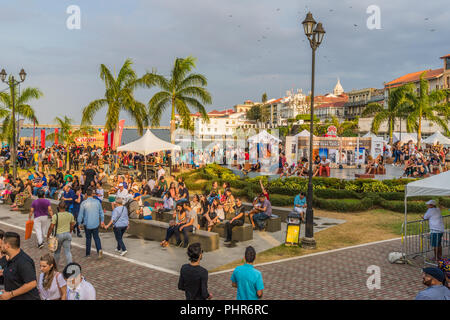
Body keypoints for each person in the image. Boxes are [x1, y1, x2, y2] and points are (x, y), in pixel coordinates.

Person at [0, 232, 40, 300]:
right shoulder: (11, 258)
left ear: (7, 246)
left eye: (2, 243)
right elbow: (15, 273)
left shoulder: (24, 261)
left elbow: (32, 283)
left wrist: (10, 294)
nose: (1, 246)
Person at [78, 188, 106, 258]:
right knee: (96, 237)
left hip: (87, 223)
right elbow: (101, 213)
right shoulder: (97, 202)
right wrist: (102, 221)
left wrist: (79, 223)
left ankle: (88, 254)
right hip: (95, 223)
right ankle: (99, 250)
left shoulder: (83, 203)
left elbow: (80, 215)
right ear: (92, 194)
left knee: (88, 238)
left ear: (86, 194)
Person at [47, 201, 75, 265]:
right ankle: (70, 266)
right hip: (67, 234)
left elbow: (51, 227)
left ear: (58, 207)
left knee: (57, 252)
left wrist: (48, 236)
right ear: (66, 207)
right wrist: (70, 231)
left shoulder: (55, 216)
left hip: (58, 235)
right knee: (68, 252)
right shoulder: (70, 215)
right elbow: (72, 225)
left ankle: (55, 266)